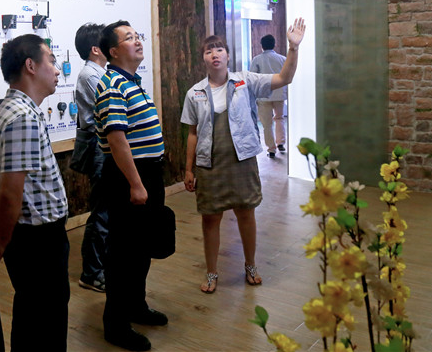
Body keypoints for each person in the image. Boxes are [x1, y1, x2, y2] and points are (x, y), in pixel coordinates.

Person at [181, 18, 305, 294]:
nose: (215, 54)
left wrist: (293, 48)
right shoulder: (195, 93)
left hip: (242, 160)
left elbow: (284, 78)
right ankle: (212, 272)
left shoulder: (245, 81)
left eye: (219, 49)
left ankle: (250, 265)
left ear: (228, 55)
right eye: (209, 51)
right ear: (203, 58)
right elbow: (192, 134)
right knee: (210, 218)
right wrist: (189, 169)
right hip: (209, 164)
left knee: (246, 214)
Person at [0, 34, 70, 351]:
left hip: (34, 237)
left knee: (34, 314)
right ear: (31, 66)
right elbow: (10, 191)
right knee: (44, 320)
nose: (57, 70)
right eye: (51, 61)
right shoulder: (23, 117)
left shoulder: (18, 110)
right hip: (37, 239)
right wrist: (1, 239)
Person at [95, 21, 167, 352]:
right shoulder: (113, 85)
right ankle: (116, 324)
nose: (138, 41)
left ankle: (136, 306)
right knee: (124, 254)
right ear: (113, 51)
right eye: (129, 38)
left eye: (137, 36)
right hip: (130, 177)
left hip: (146, 174)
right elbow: (117, 139)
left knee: (141, 248)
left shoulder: (131, 82)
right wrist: (136, 185)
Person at [72, 23, 109, 293]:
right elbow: (112, 108)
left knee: (106, 211)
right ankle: (92, 273)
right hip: (99, 146)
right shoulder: (89, 75)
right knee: (102, 213)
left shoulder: (100, 73)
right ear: (96, 49)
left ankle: (101, 268)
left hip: (104, 145)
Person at [251, 34, 287, 158]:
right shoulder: (283, 59)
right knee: (279, 118)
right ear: (274, 44)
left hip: (263, 96)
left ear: (261, 46)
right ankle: (281, 143)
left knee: (266, 124)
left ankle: (271, 149)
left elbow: (252, 77)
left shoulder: (257, 59)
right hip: (279, 94)